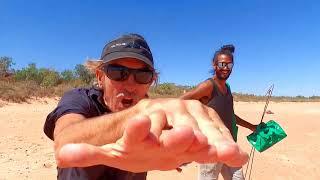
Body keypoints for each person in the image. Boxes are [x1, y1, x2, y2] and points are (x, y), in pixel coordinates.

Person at [43, 34, 248, 180]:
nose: (130, 84)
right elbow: (64, 142)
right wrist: (138, 113)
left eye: (142, 75)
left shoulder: (155, 116)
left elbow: (176, 150)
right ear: (100, 77)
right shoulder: (80, 100)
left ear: (151, 81)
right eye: (117, 72)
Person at [180, 45, 257, 180]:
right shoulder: (208, 86)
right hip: (212, 148)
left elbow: (230, 115)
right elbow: (180, 102)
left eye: (229, 65)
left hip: (231, 145)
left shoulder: (227, 88)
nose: (226, 68)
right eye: (222, 64)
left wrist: (251, 126)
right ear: (214, 65)